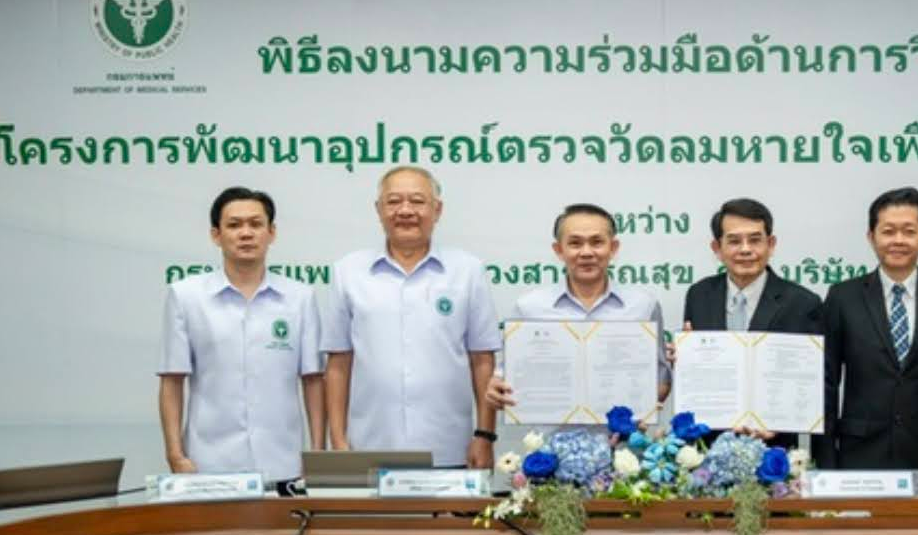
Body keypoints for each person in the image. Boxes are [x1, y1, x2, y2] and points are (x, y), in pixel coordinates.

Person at [322, 166, 500, 468]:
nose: (405, 210)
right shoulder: (348, 272)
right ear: (378, 210)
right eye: (393, 201)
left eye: (417, 201)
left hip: (449, 447)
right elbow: (338, 364)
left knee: (449, 517)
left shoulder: (467, 271)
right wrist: (338, 442)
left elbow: (482, 361)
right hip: (368, 447)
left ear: (437, 209)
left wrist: (485, 436)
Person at [158, 186, 324, 484]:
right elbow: (172, 380)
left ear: (271, 233)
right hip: (208, 464)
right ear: (216, 235)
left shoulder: (300, 297)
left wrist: (317, 453)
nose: (246, 233)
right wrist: (175, 454)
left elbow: (312, 380)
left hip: (285, 464)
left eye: (256, 224)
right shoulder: (186, 296)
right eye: (234, 225)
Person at [823, 186, 918, 495]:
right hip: (859, 459)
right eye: (888, 231)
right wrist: (826, 463)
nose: (898, 240)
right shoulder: (843, 297)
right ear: (871, 236)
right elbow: (827, 385)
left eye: (909, 231)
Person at [484, 203, 670, 416]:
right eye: (575, 243)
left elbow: (661, 377)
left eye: (597, 242)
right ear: (559, 250)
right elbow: (504, 376)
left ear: (613, 247)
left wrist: (639, 417)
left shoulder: (643, 306)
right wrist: (496, 388)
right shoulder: (529, 308)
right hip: (550, 443)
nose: (586, 252)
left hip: (623, 445)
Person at [683, 197, 827, 452]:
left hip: (775, 451)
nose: (745, 249)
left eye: (755, 239)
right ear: (717, 248)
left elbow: (814, 382)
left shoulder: (803, 303)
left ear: (771, 244)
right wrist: (683, 358)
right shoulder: (699, 295)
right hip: (708, 449)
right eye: (734, 241)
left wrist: (779, 425)